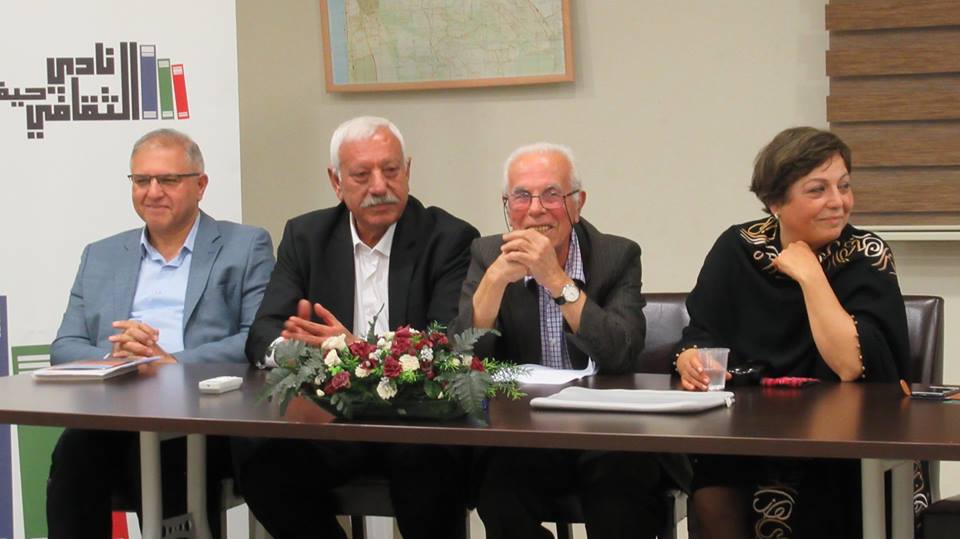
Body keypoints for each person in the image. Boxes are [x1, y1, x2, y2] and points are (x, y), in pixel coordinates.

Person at [235, 116, 479, 539]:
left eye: (391, 170)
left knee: (427, 464)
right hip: (335, 418)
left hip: (417, 420)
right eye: (362, 175)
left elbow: (445, 346)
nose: (379, 186)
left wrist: (357, 352)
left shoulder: (449, 238)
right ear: (336, 181)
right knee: (260, 456)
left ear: (408, 171)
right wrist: (301, 350)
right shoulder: (306, 236)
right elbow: (262, 332)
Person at [675, 127, 910, 538]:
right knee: (712, 488)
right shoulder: (738, 247)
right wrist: (688, 358)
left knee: (817, 496)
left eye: (844, 186)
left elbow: (851, 364)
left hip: (844, 440)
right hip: (751, 431)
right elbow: (700, 333)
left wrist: (810, 274)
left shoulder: (866, 253)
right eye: (818, 190)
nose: (838, 202)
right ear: (775, 203)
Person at [449, 142, 689, 539]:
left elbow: (621, 353)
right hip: (526, 432)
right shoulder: (487, 252)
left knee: (623, 485)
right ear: (508, 206)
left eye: (551, 194)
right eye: (521, 196)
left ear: (577, 203)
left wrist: (556, 280)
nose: (536, 209)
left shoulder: (617, 255)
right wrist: (493, 281)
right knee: (497, 488)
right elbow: (462, 358)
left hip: (607, 431)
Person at [47, 128, 275, 538]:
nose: (153, 192)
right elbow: (64, 347)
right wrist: (118, 359)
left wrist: (170, 363)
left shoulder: (245, 246)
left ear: (201, 185)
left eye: (168, 180)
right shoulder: (100, 254)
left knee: (170, 455)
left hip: (204, 417)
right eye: (141, 180)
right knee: (74, 451)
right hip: (118, 414)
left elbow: (256, 337)